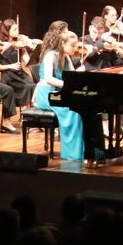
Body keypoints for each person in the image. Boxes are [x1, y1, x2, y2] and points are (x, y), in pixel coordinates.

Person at [34, 31, 99, 164]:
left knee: (83, 110)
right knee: (72, 113)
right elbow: (48, 78)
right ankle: (72, 154)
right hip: (46, 94)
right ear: (63, 44)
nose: (75, 49)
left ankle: (87, 150)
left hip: (60, 92)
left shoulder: (66, 57)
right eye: (72, 45)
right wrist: (67, 84)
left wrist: (78, 73)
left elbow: (71, 76)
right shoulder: (50, 56)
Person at [0, 19, 36, 108]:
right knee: (28, 86)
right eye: (14, 29)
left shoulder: (18, 43)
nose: (18, 31)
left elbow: (25, 57)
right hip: (9, 76)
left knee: (33, 85)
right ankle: (25, 113)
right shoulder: (1, 45)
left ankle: (27, 113)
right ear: (6, 31)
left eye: (17, 29)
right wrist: (11, 66)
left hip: (20, 74)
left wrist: (31, 61)